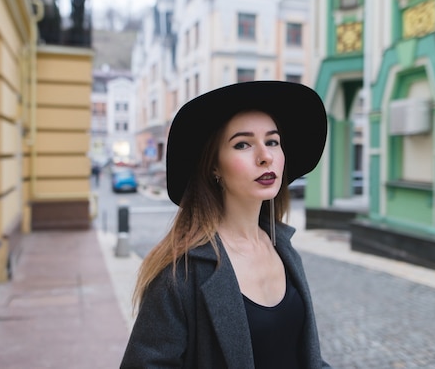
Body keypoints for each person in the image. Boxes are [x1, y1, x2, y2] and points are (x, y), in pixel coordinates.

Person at [120, 81, 331, 369]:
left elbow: (307, 358)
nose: (265, 156)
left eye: (272, 141)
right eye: (243, 144)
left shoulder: (284, 249)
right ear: (214, 167)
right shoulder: (181, 273)